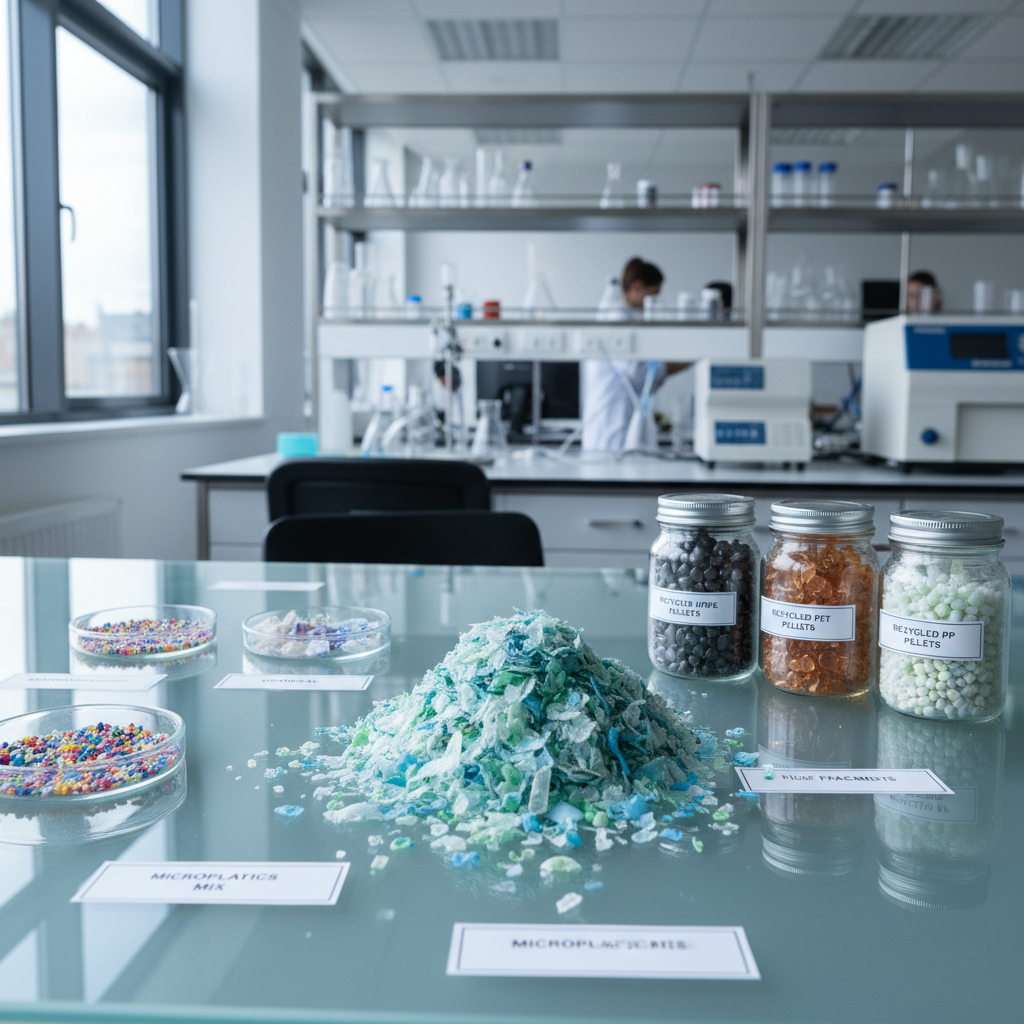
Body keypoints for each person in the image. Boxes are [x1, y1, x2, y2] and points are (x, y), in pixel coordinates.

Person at [581, 258, 693, 451]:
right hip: (612, 431)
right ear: (638, 287)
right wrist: (688, 361)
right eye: (653, 296)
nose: (653, 303)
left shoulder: (626, 319)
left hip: (620, 428)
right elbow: (641, 373)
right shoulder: (618, 320)